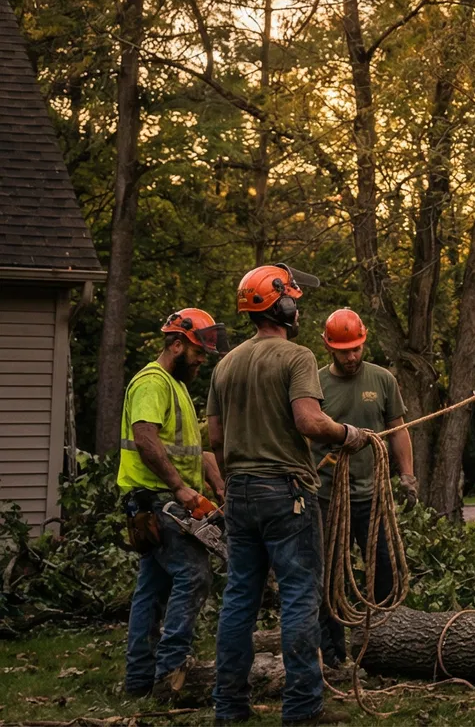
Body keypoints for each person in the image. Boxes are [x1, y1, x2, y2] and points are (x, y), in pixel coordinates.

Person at [207, 264, 370, 726]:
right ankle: (302, 708)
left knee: (240, 597)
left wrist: (228, 484)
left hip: (238, 490)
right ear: (283, 305)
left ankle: (229, 707)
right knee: (300, 594)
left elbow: (214, 438)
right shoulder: (296, 357)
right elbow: (309, 422)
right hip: (287, 491)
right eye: (294, 299)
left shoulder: (226, 363)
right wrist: (347, 433)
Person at [120, 308, 228, 704]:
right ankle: (169, 671)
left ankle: (139, 680)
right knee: (194, 576)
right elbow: (146, 439)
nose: (202, 360)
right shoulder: (152, 382)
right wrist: (181, 490)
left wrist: (217, 483)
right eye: (198, 352)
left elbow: (191, 447)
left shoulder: (177, 386)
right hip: (157, 502)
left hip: (158, 501)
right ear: (177, 344)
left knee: (153, 588)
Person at [312, 307, 414, 667]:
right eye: (344, 350)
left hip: (373, 496)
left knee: (385, 565)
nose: (352, 356)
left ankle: (384, 646)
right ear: (329, 348)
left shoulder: (383, 379)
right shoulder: (315, 383)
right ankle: (335, 655)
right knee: (329, 576)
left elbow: (398, 429)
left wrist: (407, 475)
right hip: (326, 496)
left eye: (356, 348)